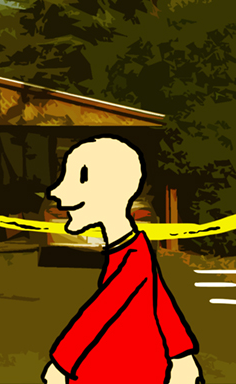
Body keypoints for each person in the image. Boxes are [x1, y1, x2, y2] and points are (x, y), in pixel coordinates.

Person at [40, 135, 203, 384]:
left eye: (80, 178)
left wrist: (61, 363)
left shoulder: (134, 257)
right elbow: (160, 301)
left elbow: (100, 311)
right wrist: (182, 355)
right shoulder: (134, 250)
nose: (56, 192)